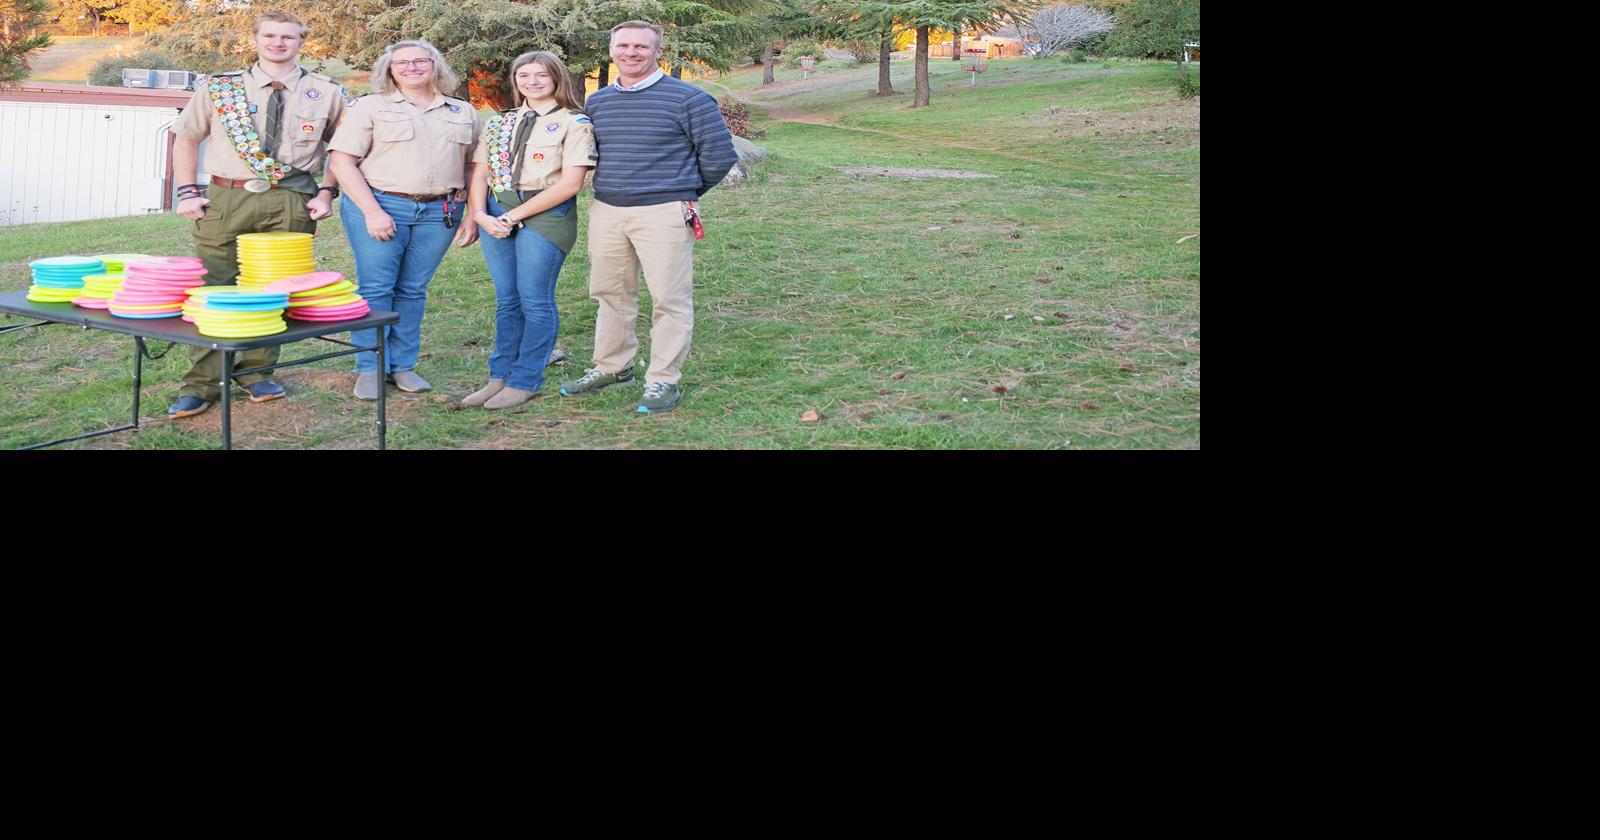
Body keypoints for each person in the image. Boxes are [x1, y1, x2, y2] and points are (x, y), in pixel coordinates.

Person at [167, 10, 349, 419]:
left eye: (288, 36)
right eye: (270, 35)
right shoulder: (220, 88)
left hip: (292, 197)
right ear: (255, 39)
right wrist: (187, 192)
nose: (278, 43)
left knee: (273, 289)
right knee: (215, 289)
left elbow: (343, 149)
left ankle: (257, 373)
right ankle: (202, 383)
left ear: (302, 41)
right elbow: (185, 137)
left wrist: (327, 191)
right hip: (226, 197)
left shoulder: (327, 91)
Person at [557, 19, 738, 414]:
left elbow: (720, 156)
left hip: (664, 212)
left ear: (659, 52)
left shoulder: (689, 99)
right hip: (607, 210)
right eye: (623, 45)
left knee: (669, 299)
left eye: (642, 46)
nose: (631, 52)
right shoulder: (598, 101)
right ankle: (612, 366)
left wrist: (680, 191)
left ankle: (662, 381)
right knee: (610, 293)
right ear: (611, 50)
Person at [328, 40, 480, 400]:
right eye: (401, 63)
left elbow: (475, 165)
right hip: (381, 204)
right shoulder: (369, 107)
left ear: (435, 65)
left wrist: (473, 213)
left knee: (413, 289)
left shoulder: (462, 111)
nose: (411, 67)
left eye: (419, 61)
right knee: (377, 288)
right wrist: (372, 211)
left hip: (439, 212)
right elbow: (341, 162)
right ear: (389, 70)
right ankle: (369, 366)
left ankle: (402, 366)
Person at [461, 52, 597, 410]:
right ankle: (498, 377)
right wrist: (479, 214)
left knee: (534, 299)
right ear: (515, 79)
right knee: (507, 300)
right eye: (524, 74)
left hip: (546, 212)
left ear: (556, 78)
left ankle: (526, 379)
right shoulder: (498, 122)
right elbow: (480, 172)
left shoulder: (574, 121)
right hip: (495, 211)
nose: (532, 81)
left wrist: (513, 217)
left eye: (541, 75)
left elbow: (570, 184)